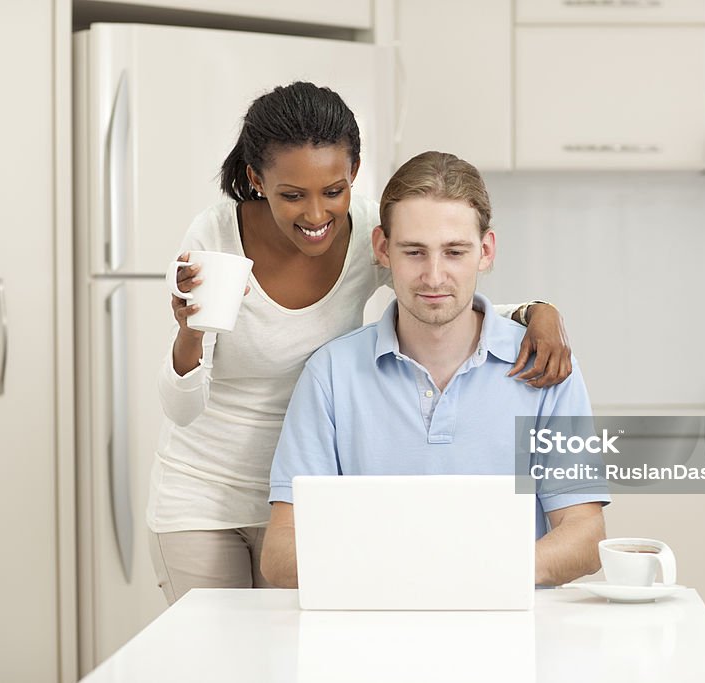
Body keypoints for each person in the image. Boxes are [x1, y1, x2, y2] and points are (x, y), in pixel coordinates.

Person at [148, 82, 577, 604]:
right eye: (292, 195)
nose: (315, 215)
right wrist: (190, 331)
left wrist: (535, 313)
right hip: (208, 490)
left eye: (333, 191)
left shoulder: (371, 226)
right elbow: (182, 409)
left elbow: (439, 289)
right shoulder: (216, 240)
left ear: (353, 175)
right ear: (257, 180)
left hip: (307, 495)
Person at [261, 151, 609, 589]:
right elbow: (280, 552)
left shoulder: (547, 368)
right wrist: (413, 578)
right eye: (414, 252)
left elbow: (584, 534)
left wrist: (469, 574)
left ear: (485, 252)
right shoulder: (331, 374)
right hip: (372, 634)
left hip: (512, 631)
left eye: (454, 252)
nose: (434, 276)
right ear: (383, 249)